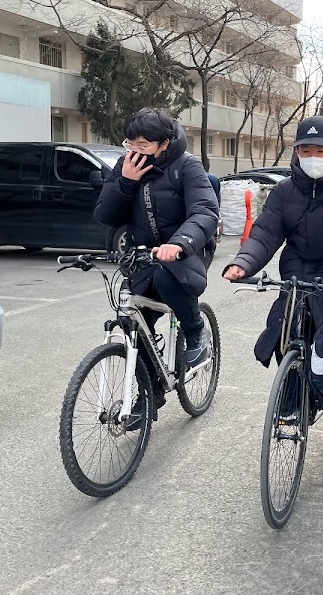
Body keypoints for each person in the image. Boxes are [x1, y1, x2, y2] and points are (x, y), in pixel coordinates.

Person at [222, 116, 323, 395]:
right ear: (296, 152)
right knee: (285, 327)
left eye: (320, 150)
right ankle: (292, 392)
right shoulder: (284, 190)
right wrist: (243, 263)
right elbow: (265, 233)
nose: (313, 157)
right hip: (298, 270)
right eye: (306, 150)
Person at [94, 108, 220, 424]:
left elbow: (205, 212)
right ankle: (150, 394)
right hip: (142, 255)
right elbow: (105, 216)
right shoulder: (126, 166)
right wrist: (125, 182)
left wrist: (179, 244)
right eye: (130, 144)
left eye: (144, 145)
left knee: (166, 276)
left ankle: (196, 332)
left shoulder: (187, 166)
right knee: (133, 322)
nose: (135, 151)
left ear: (164, 144)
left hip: (185, 252)